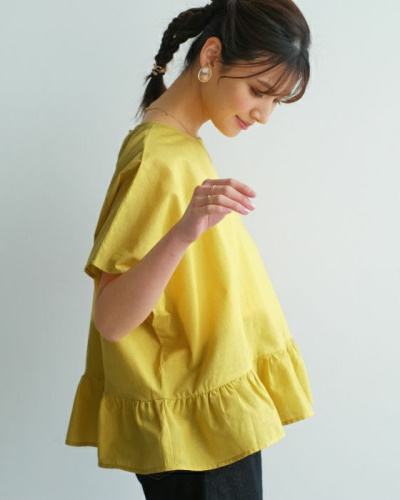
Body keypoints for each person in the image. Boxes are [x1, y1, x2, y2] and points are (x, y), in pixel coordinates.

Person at [65, 0, 315, 498]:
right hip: (195, 432)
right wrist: (184, 231)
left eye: (276, 101)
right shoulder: (159, 157)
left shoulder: (181, 147)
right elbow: (112, 318)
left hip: (206, 420)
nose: (264, 114)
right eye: (258, 91)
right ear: (212, 56)